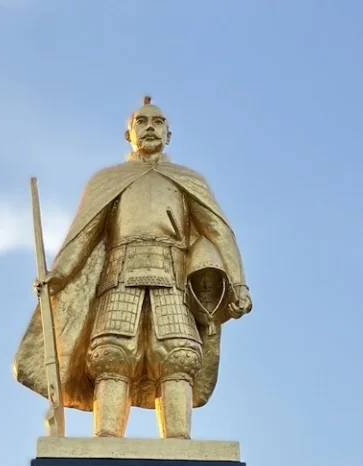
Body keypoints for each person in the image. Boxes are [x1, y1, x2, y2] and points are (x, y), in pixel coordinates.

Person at [14, 97, 252, 439]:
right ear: (129, 134)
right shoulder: (110, 179)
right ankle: (107, 439)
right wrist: (61, 273)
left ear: (169, 134)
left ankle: (178, 441)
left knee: (178, 356)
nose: (151, 127)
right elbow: (84, 232)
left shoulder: (187, 179)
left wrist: (239, 284)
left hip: (172, 278)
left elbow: (218, 229)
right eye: (142, 121)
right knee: (111, 355)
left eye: (158, 122)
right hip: (120, 275)